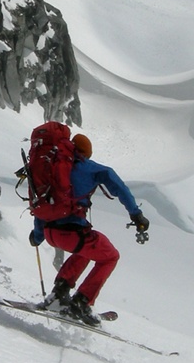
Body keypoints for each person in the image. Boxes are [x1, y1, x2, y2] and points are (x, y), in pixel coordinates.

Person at [29, 133, 149, 326]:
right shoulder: (89, 168)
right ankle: (82, 302)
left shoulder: (50, 168)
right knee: (110, 256)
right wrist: (136, 214)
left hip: (50, 233)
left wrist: (37, 235)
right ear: (85, 154)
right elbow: (119, 187)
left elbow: (43, 204)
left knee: (87, 251)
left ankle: (59, 294)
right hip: (72, 233)